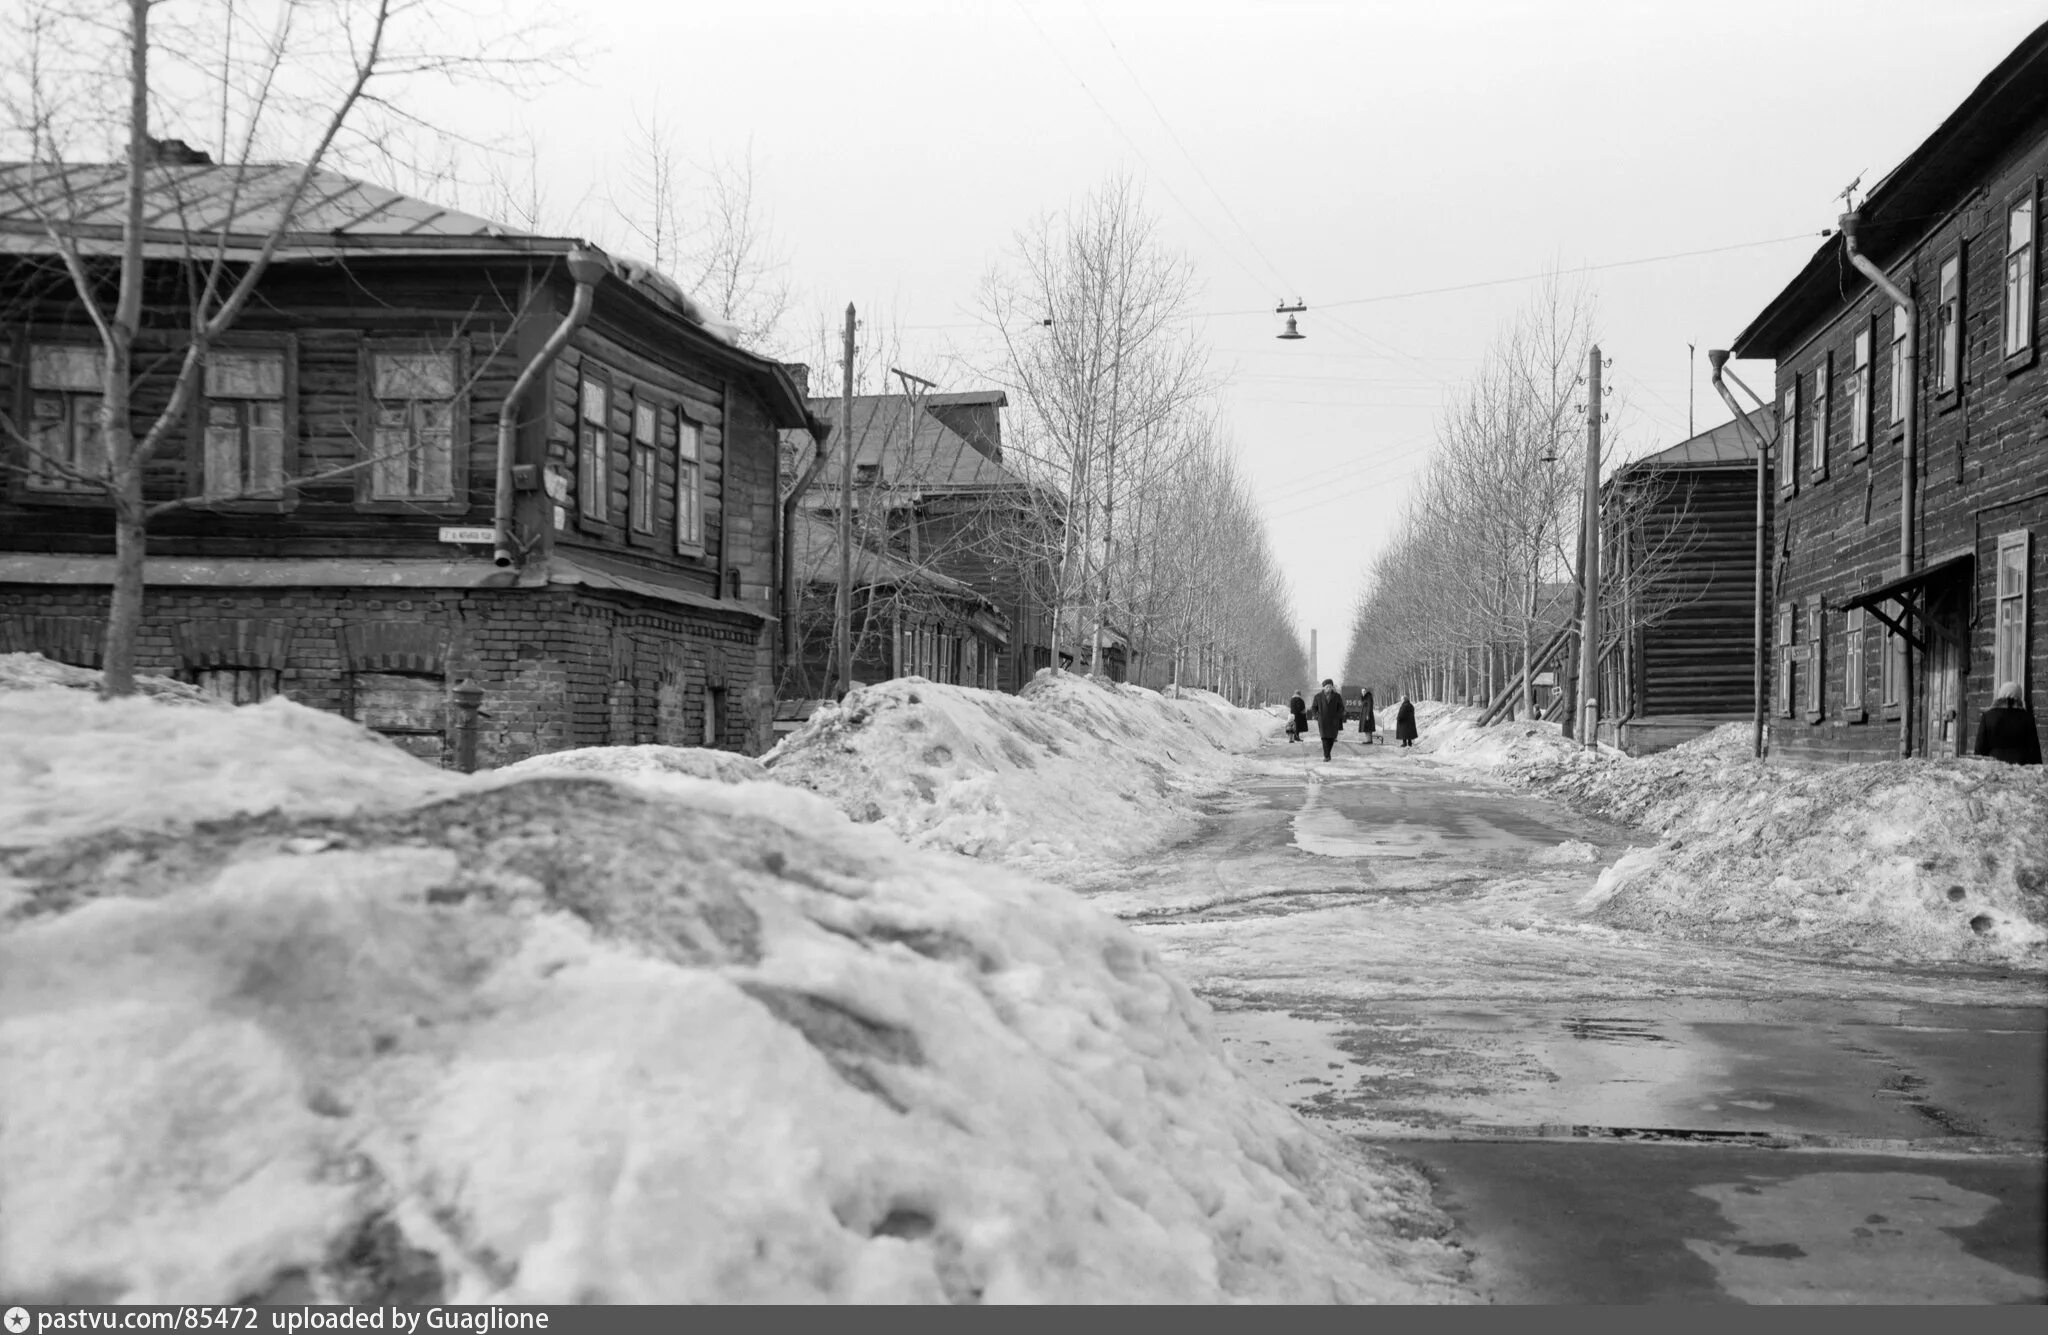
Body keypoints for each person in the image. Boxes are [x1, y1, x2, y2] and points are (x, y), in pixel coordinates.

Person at [1974, 682, 2042, 765]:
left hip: (1993, 768)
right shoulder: (2027, 717)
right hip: (2021, 768)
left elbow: (1980, 749)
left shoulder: (1987, 716)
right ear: (2019, 696)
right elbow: (2034, 751)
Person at [1310, 678, 1346, 761]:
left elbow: (1341, 707)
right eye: (1327, 687)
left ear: (1332, 687)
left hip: (1334, 721)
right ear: (1323, 687)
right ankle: (1326, 756)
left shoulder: (1337, 696)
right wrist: (1317, 716)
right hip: (1322, 720)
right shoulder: (1318, 696)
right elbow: (1313, 707)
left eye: (1330, 687)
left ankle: (1327, 754)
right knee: (1324, 737)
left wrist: (1338, 716)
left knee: (1332, 737)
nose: (1329, 688)